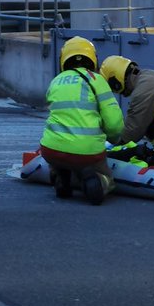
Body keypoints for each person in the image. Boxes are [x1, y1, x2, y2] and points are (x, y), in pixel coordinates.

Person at [39, 37, 124, 205]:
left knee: (61, 160)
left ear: (64, 58)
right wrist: (116, 140)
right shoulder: (96, 80)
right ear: (93, 58)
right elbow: (114, 124)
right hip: (88, 154)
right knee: (105, 176)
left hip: (51, 150)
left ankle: (60, 175)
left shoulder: (55, 81)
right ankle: (96, 181)